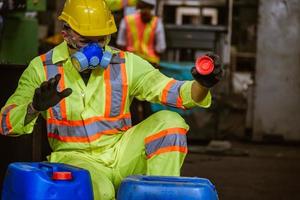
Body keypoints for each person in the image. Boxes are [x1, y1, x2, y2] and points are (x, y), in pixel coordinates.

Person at [0, 0, 222, 199]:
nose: (96, 49)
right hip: (76, 158)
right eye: (87, 41)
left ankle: (161, 195)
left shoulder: (125, 64)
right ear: (65, 32)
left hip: (121, 152)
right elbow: (6, 123)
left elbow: (174, 92)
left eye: (102, 39)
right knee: (101, 191)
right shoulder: (41, 69)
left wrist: (202, 84)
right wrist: (34, 108)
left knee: (170, 123)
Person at [116, 0, 166, 67]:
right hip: (150, 64)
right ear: (152, 7)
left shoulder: (127, 20)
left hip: (130, 62)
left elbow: (120, 43)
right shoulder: (157, 22)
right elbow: (161, 48)